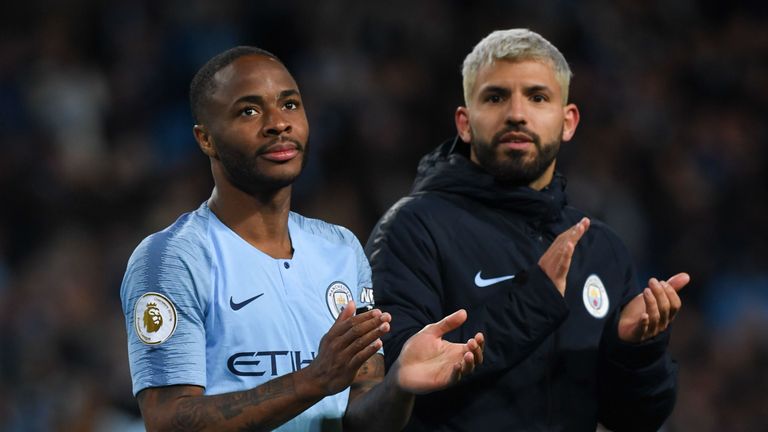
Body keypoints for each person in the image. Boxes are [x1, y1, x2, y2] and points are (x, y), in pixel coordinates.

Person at [120, 46, 484, 432]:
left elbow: (360, 415)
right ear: (206, 139)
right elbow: (167, 420)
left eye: (290, 105)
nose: (278, 123)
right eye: (249, 110)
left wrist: (400, 384)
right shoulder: (172, 258)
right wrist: (314, 380)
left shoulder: (341, 249)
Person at [365, 29, 690, 431]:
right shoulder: (413, 228)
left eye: (537, 97)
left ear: (568, 121)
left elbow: (636, 419)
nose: (517, 113)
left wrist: (638, 351)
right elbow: (391, 385)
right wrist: (534, 301)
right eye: (496, 97)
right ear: (464, 123)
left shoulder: (601, 248)